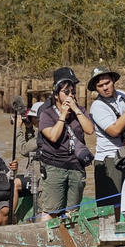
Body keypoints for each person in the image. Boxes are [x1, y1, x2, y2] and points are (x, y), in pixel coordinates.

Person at [38, 67, 95, 215]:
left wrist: (75, 109)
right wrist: (63, 114)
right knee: (52, 211)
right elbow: (53, 136)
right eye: (66, 92)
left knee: (72, 212)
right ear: (56, 95)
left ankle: (68, 237)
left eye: (73, 91)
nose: (71, 95)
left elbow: (89, 130)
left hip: (76, 166)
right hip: (54, 167)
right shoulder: (47, 113)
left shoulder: (80, 110)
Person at [88, 66, 125, 207]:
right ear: (96, 89)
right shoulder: (97, 106)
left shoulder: (123, 96)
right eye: (100, 86)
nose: (105, 88)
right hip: (109, 160)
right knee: (110, 207)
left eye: (107, 83)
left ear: (113, 80)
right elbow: (114, 130)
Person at [15, 101, 43, 218]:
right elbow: (33, 147)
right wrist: (29, 129)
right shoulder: (47, 130)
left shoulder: (44, 133)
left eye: (32, 119)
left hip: (42, 177)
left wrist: (18, 128)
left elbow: (24, 150)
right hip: (38, 175)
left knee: (42, 209)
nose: (31, 121)